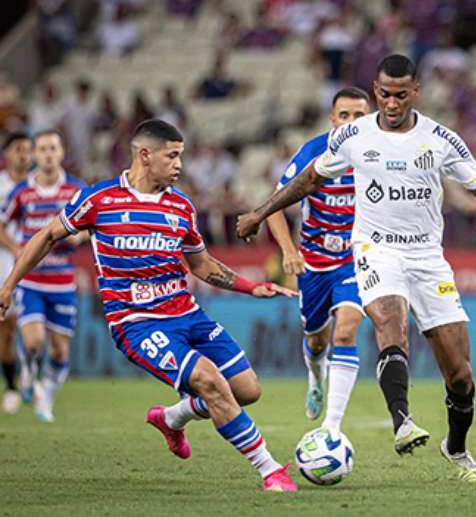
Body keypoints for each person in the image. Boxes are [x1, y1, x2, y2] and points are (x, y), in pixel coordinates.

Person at [237, 54, 476, 482]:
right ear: (375, 90)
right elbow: (308, 180)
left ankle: (457, 446)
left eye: (400, 95)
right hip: (376, 250)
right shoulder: (353, 136)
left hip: (428, 258)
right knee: (389, 323)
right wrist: (260, 212)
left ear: (415, 92)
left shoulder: (440, 139)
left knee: (461, 376)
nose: (391, 103)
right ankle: (402, 421)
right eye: (384, 94)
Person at [0, 120, 298, 492]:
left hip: (187, 314)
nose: (179, 165)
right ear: (145, 155)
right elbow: (46, 235)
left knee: (247, 390)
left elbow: (202, 265)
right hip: (136, 322)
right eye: (172, 156)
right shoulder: (99, 199)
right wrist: (10, 284)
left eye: (181, 156)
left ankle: (172, 417)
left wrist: (252, 288)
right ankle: (270, 470)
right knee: (208, 380)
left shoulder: (181, 207)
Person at [265, 87, 370, 427]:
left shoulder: (377, 153)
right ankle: (315, 378)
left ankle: (332, 426)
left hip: (355, 259)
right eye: (345, 115)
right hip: (313, 261)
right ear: (332, 119)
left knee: (346, 331)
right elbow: (275, 206)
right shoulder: (313, 151)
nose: (352, 122)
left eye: (359, 115)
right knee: (317, 340)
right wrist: (288, 251)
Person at [0, 131, 84, 422]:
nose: (48, 153)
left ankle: (46, 398)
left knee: (60, 352)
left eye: (53, 148)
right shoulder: (22, 191)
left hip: (63, 282)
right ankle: (27, 370)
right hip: (32, 281)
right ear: (35, 155)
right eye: (43, 149)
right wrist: (17, 248)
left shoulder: (76, 190)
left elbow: (92, 226)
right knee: (34, 341)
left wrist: (80, 236)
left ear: (61, 153)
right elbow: (2, 224)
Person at [0, 133, 33, 414]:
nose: (23, 155)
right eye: (18, 149)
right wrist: (15, 248)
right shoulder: (1, 184)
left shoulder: (37, 184)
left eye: (27, 150)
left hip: (34, 263)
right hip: (3, 261)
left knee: (35, 324)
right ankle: (11, 385)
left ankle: (30, 374)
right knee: (7, 328)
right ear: (8, 154)